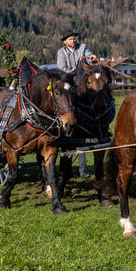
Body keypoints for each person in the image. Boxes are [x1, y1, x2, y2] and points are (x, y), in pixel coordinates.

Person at [56, 31, 98, 177]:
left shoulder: (82, 47)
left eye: (74, 38)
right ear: (65, 41)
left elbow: (89, 57)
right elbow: (62, 70)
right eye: (70, 39)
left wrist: (92, 58)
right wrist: (76, 72)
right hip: (69, 85)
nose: (73, 40)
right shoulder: (61, 53)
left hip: (82, 84)